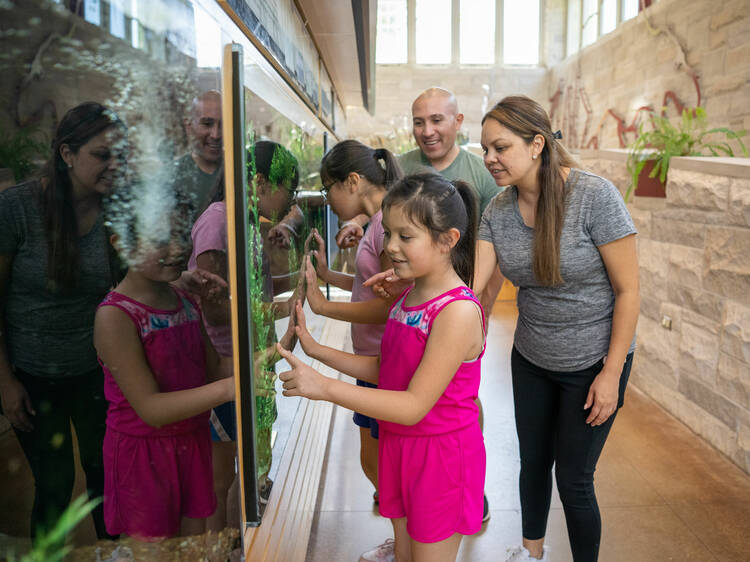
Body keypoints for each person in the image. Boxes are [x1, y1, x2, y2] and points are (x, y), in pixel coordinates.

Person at [279, 173, 486, 562]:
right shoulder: (409, 296)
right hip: (402, 447)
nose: (390, 247)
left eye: (405, 237)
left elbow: (412, 404)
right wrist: (315, 348)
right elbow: (386, 369)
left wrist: (325, 387)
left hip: (439, 460)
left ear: (448, 240)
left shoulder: (457, 311)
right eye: (388, 233)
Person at [473, 96, 639, 562]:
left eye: (500, 147)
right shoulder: (497, 211)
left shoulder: (594, 197)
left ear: (537, 144)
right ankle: (531, 553)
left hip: (593, 363)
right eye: (485, 149)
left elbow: (629, 292)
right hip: (531, 357)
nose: (490, 159)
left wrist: (610, 374)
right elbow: (473, 291)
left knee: (573, 478)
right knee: (532, 464)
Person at [0, 102, 126, 539]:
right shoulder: (16, 209)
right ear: (67, 155)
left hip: (96, 373)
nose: (114, 165)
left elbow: (134, 282)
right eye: (102, 154)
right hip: (34, 378)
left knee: (106, 480)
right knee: (52, 486)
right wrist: (5, 381)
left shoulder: (116, 210)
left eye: (119, 155)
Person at [189, 141, 305, 529]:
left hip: (254, 358)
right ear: (257, 182)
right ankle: (223, 544)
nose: (289, 203)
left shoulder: (250, 223)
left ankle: (245, 527)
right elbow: (218, 307)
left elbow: (250, 294)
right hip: (227, 363)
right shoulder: (218, 221)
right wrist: (279, 309)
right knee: (221, 476)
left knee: (254, 453)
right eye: (285, 192)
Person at [303, 140, 401, 529]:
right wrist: (328, 277)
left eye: (329, 187)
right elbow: (369, 286)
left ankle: (406, 542)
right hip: (373, 359)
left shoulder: (387, 225)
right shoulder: (377, 222)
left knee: (381, 465)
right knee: (375, 461)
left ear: (354, 181)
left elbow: (387, 305)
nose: (326, 198)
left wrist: (324, 306)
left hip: (385, 360)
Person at [175, 90, 223, 216]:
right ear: (189, 126)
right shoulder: (173, 177)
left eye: (223, 125)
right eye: (207, 124)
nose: (216, 135)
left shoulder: (241, 172)